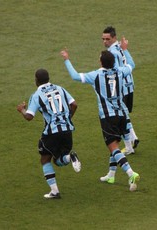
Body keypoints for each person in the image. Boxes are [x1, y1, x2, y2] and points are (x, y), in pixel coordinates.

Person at [60, 37, 140, 191]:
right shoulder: (121, 71)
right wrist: (125, 49)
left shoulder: (96, 75)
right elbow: (131, 65)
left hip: (108, 116)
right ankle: (111, 175)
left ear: (101, 62)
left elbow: (75, 76)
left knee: (113, 147)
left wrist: (66, 60)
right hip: (122, 114)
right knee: (116, 142)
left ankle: (130, 172)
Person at [17, 68, 81, 199]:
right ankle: (71, 157)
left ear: (36, 80)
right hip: (67, 130)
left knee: (45, 159)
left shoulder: (36, 95)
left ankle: (55, 191)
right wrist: (67, 119)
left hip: (52, 132)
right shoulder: (60, 88)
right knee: (58, 160)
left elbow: (29, 117)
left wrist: (22, 110)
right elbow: (74, 104)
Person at [102, 26, 139, 155]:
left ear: (114, 38)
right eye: (103, 39)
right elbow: (130, 64)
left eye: (107, 39)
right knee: (124, 114)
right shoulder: (121, 47)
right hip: (129, 86)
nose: (105, 41)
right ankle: (133, 138)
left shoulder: (111, 53)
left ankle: (129, 146)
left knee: (119, 118)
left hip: (120, 89)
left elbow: (115, 72)